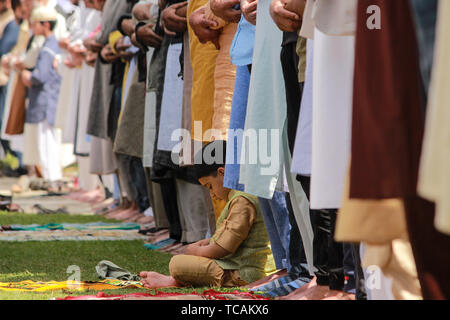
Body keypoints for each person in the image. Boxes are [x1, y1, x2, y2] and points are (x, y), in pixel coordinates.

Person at [139, 140, 275, 288]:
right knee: (185, 261)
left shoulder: (243, 200)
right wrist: (210, 242)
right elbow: (233, 237)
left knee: (177, 264)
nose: (212, 194)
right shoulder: (242, 195)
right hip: (238, 264)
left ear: (222, 173)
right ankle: (177, 280)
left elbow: (224, 248)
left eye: (209, 186)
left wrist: (197, 250)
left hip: (246, 272)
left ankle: (176, 280)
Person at [21, 5, 62, 183]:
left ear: (45, 24)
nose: (33, 27)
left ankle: (52, 178)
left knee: (47, 141)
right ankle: (50, 177)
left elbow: (42, 75)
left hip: (46, 99)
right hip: (46, 98)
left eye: (36, 23)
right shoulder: (49, 44)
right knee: (46, 141)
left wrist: (28, 75)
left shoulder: (49, 45)